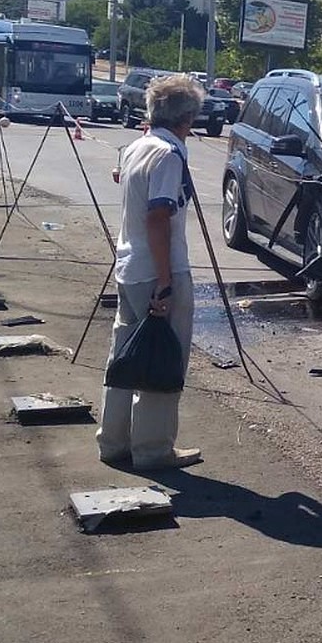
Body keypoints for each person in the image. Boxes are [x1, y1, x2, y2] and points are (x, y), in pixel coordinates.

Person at [97, 74, 206, 469]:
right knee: (163, 356)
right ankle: (153, 449)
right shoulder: (168, 155)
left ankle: (114, 442)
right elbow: (158, 217)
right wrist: (166, 283)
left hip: (129, 265)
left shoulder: (138, 146)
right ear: (188, 118)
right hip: (159, 270)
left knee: (125, 355)